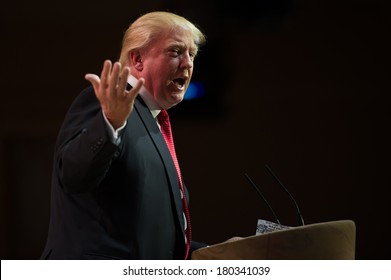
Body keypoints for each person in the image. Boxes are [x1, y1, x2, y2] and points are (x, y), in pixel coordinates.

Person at [41, 11, 207, 260]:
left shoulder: (152, 121)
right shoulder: (106, 103)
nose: (187, 63)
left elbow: (148, 237)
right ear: (138, 60)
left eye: (191, 54)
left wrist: (220, 254)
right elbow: (73, 175)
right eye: (175, 52)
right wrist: (110, 122)